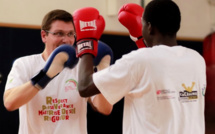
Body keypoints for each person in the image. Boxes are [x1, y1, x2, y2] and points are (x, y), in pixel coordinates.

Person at [77, 0, 206, 134]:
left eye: (143, 23)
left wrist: (86, 43)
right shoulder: (196, 59)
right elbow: (159, 66)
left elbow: (85, 87)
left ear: (149, 27)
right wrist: (144, 41)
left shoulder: (138, 60)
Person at [3, 9, 112, 134]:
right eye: (59, 33)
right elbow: (10, 103)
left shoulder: (82, 66)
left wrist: (103, 71)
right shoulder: (24, 64)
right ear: (44, 36)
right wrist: (45, 75)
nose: (66, 40)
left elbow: (105, 108)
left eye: (71, 33)